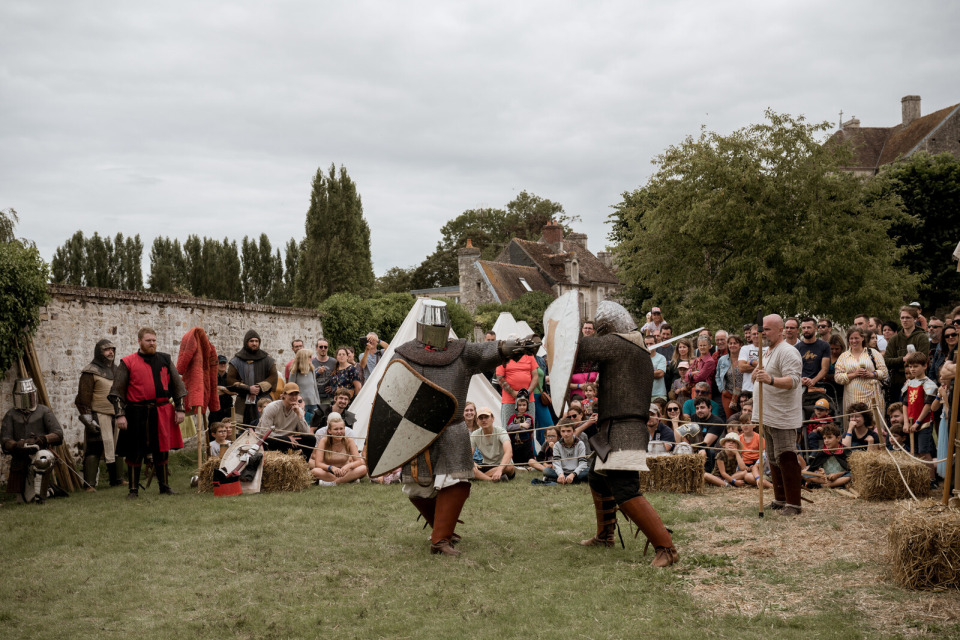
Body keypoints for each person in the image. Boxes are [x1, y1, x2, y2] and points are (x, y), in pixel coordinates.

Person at [389, 300, 538, 556]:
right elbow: (392, 394)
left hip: (453, 428)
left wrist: (518, 346)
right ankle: (442, 528)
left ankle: (440, 540)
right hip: (418, 429)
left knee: (458, 483)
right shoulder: (404, 353)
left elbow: (491, 350)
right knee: (417, 485)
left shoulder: (462, 352)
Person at [573, 301, 677, 568]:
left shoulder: (622, 344)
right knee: (597, 477)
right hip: (616, 428)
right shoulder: (634, 345)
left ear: (608, 330)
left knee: (625, 489)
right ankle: (605, 535)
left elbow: (581, 348)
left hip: (625, 429)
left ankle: (666, 548)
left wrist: (566, 330)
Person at [108, 328, 187, 498]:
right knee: (134, 451)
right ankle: (133, 490)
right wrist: (120, 414)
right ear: (139, 341)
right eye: (148, 340)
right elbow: (117, 392)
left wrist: (180, 409)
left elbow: (178, 386)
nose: (152, 343)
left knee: (162, 450)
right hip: (136, 412)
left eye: (154, 340)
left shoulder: (165, 360)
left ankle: (164, 486)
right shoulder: (128, 362)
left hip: (162, 410)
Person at [752, 314, 804, 516]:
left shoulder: (788, 351)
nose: (763, 333)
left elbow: (793, 381)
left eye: (767, 329)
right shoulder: (767, 351)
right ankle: (780, 498)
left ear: (780, 330)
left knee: (786, 456)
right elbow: (762, 375)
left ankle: (794, 504)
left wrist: (770, 379)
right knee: (772, 457)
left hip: (782, 415)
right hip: (768, 414)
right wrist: (758, 375)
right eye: (762, 329)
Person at [2, 378, 64, 503]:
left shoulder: (43, 411)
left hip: (40, 453)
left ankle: (41, 496)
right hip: (21, 458)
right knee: (24, 500)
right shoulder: (10, 415)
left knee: (43, 457)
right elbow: (5, 440)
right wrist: (17, 445)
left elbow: (58, 434)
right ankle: (49, 490)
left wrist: (42, 439)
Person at [74, 338, 121, 488]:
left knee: (118, 447)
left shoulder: (117, 370)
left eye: (112, 349)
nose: (110, 352)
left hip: (116, 414)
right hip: (97, 416)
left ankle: (117, 480)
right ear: (99, 352)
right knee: (95, 448)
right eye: (107, 350)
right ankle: (89, 484)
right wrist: (88, 420)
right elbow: (82, 399)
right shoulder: (90, 372)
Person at [834, 326, 889, 432]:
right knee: (854, 423)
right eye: (851, 338)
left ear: (863, 338)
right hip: (852, 395)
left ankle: (876, 446)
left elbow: (884, 372)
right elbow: (838, 377)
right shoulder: (844, 356)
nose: (854, 341)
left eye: (856, 338)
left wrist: (872, 374)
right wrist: (854, 374)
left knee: (874, 423)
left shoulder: (873, 353)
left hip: (873, 394)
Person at [900, 351, 938, 485]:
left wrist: (917, 422)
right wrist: (905, 422)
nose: (912, 369)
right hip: (910, 422)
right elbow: (905, 404)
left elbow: (928, 405)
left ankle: (931, 480)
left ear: (924, 366)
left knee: (924, 452)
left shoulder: (929, 384)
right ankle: (919, 480)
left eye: (916, 366)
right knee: (914, 452)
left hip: (924, 423)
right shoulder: (909, 383)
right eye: (910, 366)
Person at [226, 330, 278, 425]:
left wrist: (259, 387)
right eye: (251, 341)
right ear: (246, 342)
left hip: (263, 399)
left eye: (256, 341)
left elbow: (273, 377)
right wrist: (248, 388)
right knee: (240, 426)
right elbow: (230, 379)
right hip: (242, 400)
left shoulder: (267, 360)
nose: (254, 343)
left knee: (265, 425)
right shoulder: (237, 360)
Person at [884, 305, 930, 405]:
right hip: (897, 382)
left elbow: (923, 360)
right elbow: (886, 361)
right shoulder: (894, 339)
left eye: (908, 317)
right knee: (896, 412)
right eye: (902, 317)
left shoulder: (922, 337)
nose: (905, 320)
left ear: (915, 319)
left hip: (917, 381)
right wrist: (903, 359)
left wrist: (910, 361)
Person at [257, 384, 317, 460]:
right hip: (272, 440)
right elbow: (264, 432)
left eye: (296, 394)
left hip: (290, 441)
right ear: (284, 395)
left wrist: (299, 415)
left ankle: (303, 464)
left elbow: (306, 432)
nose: (294, 397)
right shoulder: (272, 407)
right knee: (269, 440)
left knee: (311, 439)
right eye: (291, 394)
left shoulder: (299, 410)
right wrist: (285, 438)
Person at [309, 413, 368, 485]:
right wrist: (331, 468)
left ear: (344, 429)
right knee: (314, 471)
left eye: (341, 429)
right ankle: (348, 480)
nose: (339, 432)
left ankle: (333, 483)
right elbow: (318, 464)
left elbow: (358, 461)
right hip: (328, 471)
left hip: (345, 471)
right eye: (336, 429)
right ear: (329, 431)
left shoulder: (349, 441)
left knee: (363, 468)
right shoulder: (324, 441)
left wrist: (348, 466)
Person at [472, 407, 516, 482]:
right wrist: (472, 463)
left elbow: (509, 452)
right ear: (477, 421)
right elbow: (467, 455)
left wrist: (499, 470)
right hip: (486, 465)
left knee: (510, 467)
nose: (484, 420)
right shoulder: (475, 434)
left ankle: (480, 477)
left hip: (502, 465)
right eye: (481, 418)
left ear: (493, 418)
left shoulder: (501, 431)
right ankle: (490, 479)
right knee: (469, 468)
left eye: (486, 417)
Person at [802, 424, 851, 489]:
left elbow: (851, 469)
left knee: (850, 475)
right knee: (804, 473)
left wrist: (838, 474)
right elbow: (814, 468)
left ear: (838, 438)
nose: (826, 441)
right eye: (824, 438)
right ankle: (831, 484)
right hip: (825, 478)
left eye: (829, 437)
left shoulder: (845, 451)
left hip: (841, 476)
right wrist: (819, 471)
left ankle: (825, 486)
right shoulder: (822, 452)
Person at [796, 317, 831, 395]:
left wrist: (813, 381)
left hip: (818, 387)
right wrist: (800, 380)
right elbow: (794, 369)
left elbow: (825, 369)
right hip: (800, 387)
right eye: (804, 328)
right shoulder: (796, 348)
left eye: (809, 327)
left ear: (815, 328)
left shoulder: (824, 346)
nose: (806, 330)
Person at [288, 349, 321, 424]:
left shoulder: (312, 370)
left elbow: (315, 387)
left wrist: (318, 402)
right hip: (301, 404)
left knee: (314, 423)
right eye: (309, 357)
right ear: (303, 358)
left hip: (313, 403)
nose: (311, 358)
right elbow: (291, 389)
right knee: (302, 423)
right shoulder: (294, 371)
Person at [716, 334, 743, 420]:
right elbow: (717, 376)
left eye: (735, 343)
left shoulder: (745, 358)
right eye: (730, 343)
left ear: (740, 345)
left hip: (743, 395)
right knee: (731, 420)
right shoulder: (722, 359)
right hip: (728, 394)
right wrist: (722, 389)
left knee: (744, 418)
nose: (732, 345)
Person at [506, 392, 536, 464]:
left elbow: (526, 427)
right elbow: (509, 428)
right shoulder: (513, 417)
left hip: (526, 443)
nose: (522, 407)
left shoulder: (528, 418)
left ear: (527, 406)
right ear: (517, 406)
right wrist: (521, 425)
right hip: (515, 443)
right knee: (517, 461)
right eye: (520, 405)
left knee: (528, 460)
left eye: (524, 405)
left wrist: (516, 426)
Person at [207, 355, 234, 425]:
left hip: (228, 409)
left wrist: (220, 388)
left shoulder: (230, 377)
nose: (222, 365)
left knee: (228, 431)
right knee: (213, 431)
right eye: (220, 363)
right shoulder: (211, 377)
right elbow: (210, 390)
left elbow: (234, 391)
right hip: (215, 410)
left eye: (224, 363)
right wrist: (226, 390)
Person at [311, 338, 337, 407]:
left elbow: (339, 377)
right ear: (316, 348)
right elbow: (308, 379)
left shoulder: (333, 362)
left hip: (328, 397)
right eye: (321, 347)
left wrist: (333, 387)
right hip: (314, 396)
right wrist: (317, 373)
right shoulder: (311, 362)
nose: (323, 349)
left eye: (325, 347)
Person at [646, 335, 668, 401]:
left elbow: (660, 374)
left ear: (656, 344)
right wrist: (654, 371)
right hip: (643, 394)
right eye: (646, 344)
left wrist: (643, 372)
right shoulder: (640, 358)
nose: (649, 346)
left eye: (651, 343)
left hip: (659, 395)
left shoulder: (661, 358)